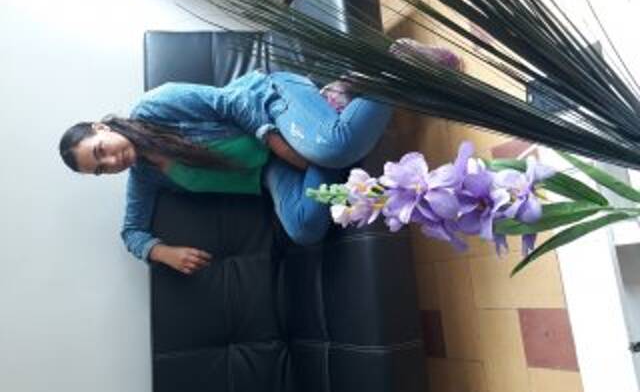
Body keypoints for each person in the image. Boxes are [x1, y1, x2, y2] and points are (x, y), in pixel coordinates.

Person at [59, 38, 462, 275]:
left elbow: (231, 101)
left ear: (100, 128)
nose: (111, 163)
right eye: (101, 170)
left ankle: (398, 63)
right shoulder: (146, 176)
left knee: (335, 147)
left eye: (100, 152)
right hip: (269, 170)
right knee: (304, 228)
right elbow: (131, 232)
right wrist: (162, 252)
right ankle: (335, 104)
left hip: (269, 105)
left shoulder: (154, 106)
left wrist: (283, 147)